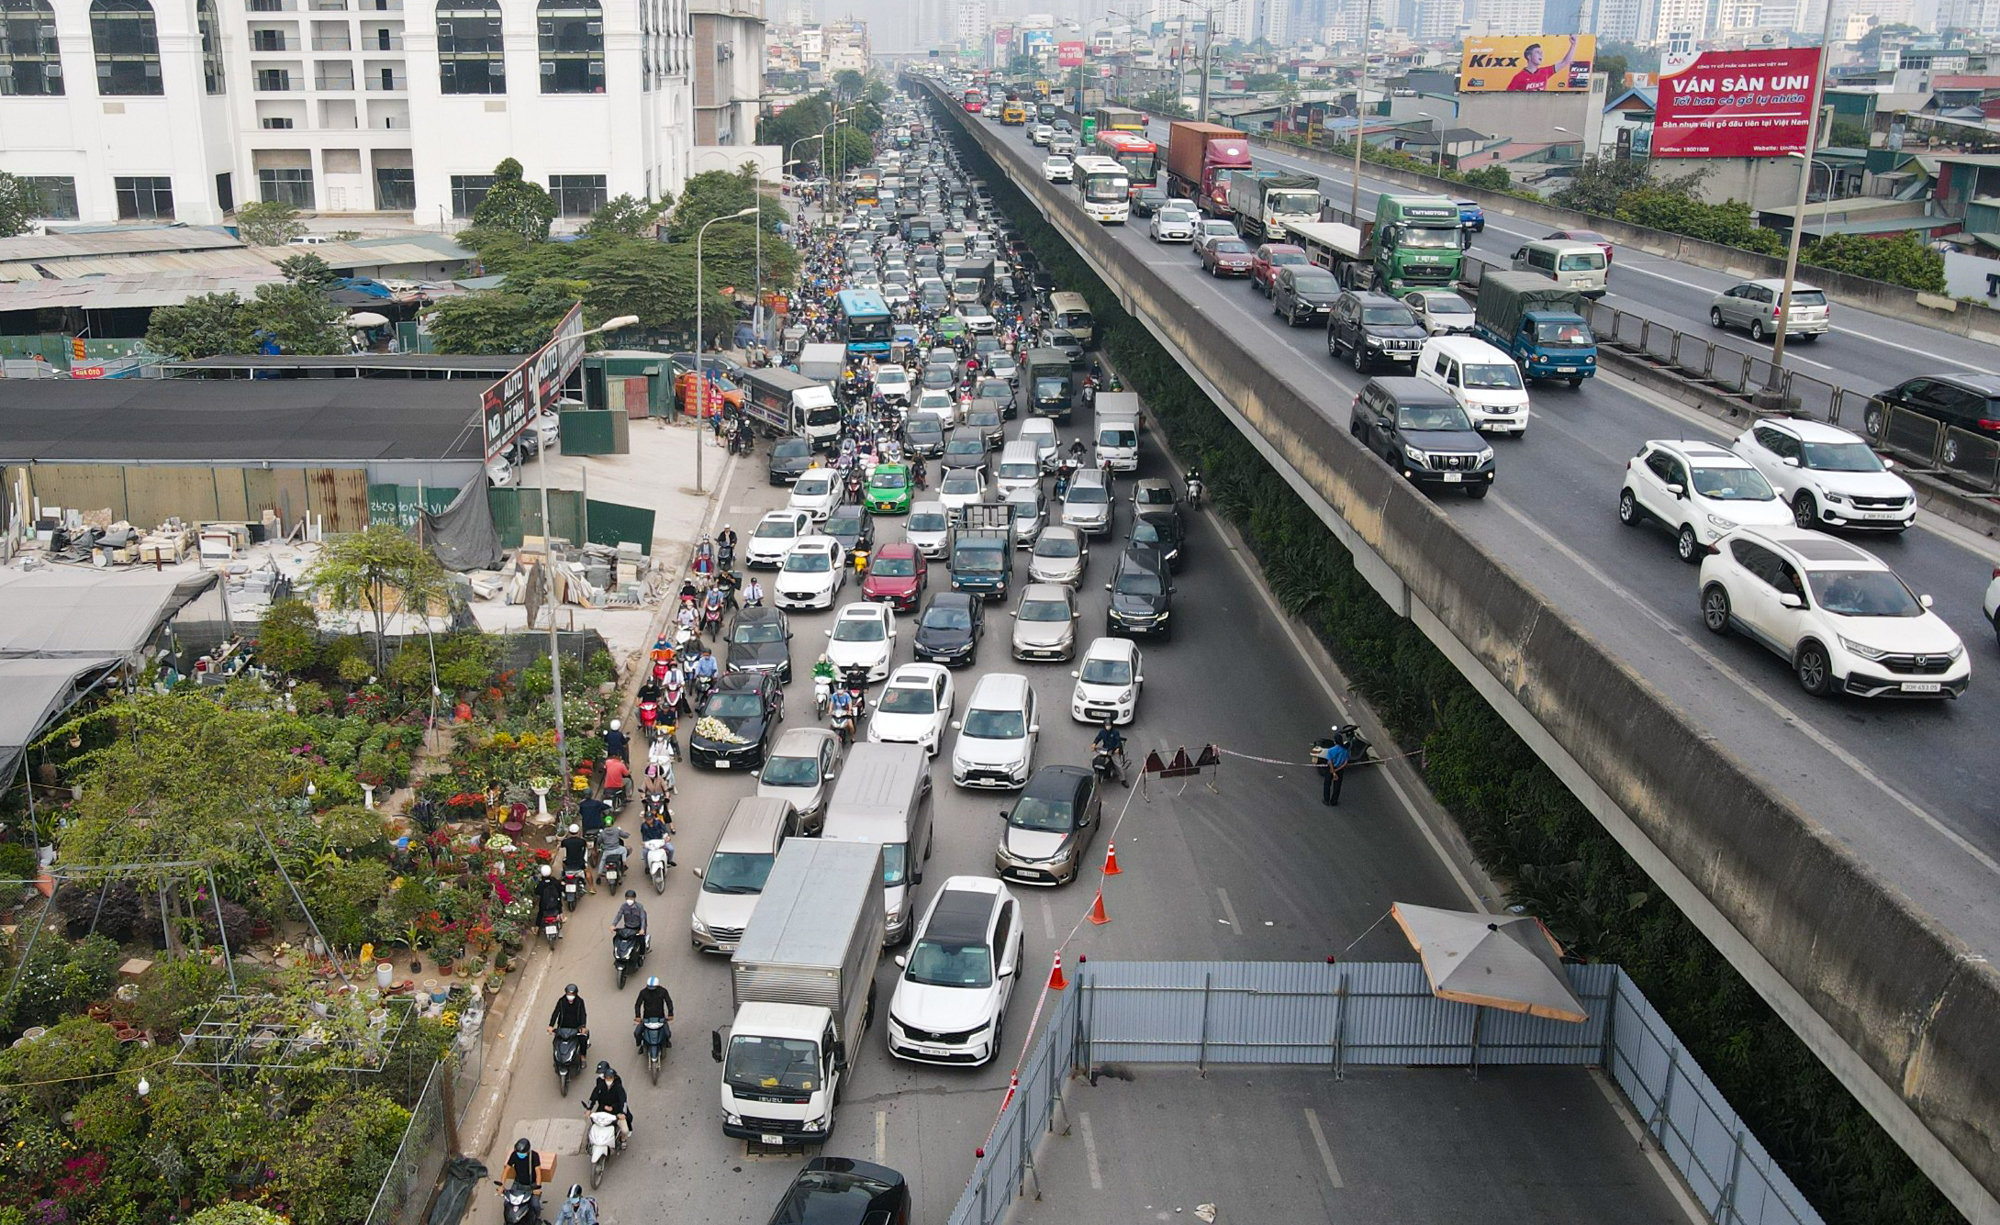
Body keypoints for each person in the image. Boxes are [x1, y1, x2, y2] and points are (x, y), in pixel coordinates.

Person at [1506, 34, 1580, 91]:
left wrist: (1573, 45)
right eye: (1538, 52)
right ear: (1529, 56)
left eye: (1541, 52)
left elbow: (1565, 62)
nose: (1541, 54)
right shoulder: (1519, 77)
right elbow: (1507, 96)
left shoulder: (1545, 72)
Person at [583, 1061, 632, 1145]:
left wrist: (622, 1113)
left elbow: (623, 1101)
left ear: (614, 1078)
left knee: (625, 1130)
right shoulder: (600, 1085)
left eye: (610, 1078)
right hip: (603, 1110)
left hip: (616, 1112)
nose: (608, 1080)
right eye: (606, 1078)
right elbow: (593, 1096)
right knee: (593, 1125)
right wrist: (588, 1108)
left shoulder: (618, 1088)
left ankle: (622, 1140)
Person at [548, 983, 589, 1060]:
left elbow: (583, 1014)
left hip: (576, 1027)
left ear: (576, 994)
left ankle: (582, 1056)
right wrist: (551, 1025)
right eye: (568, 994)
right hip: (563, 1026)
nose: (570, 996)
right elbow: (556, 1013)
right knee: (556, 1042)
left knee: (582, 1040)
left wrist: (583, 1026)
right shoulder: (561, 1001)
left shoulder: (580, 1002)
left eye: (572, 994)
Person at [633, 975, 675, 1048]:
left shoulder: (663, 991)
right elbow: (638, 1005)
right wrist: (638, 1016)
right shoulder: (643, 992)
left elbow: (669, 1002)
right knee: (637, 1033)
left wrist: (670, 1014)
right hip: (647, 1018)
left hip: (660, 1018)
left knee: (668, 1034)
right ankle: (641, 1044)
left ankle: (666, 1042)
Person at [1093, 719, 1130, 788]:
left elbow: (1118, 741)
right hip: (1105, 749)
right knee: (1096, 759)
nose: (1108, 727)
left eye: (1109, 725)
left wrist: (1117, 748)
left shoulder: (1115, 732)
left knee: (1118, 765)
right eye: (1106, 725)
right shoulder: (1102, 732)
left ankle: (1123, 779)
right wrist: (1094, 743)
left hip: (1113, 750)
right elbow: (1098, 738)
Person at [1315, 736, 1350, 807]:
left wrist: (1333, 771)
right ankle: (1334, 801)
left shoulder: (1331, 750)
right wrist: (1337, 770)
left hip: (1331, 769)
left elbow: (1330, 761)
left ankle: (1326, 800)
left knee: (1327, 784)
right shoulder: (1345, 751)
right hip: (1339, 770)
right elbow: (1345, 763)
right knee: (1337, 786)